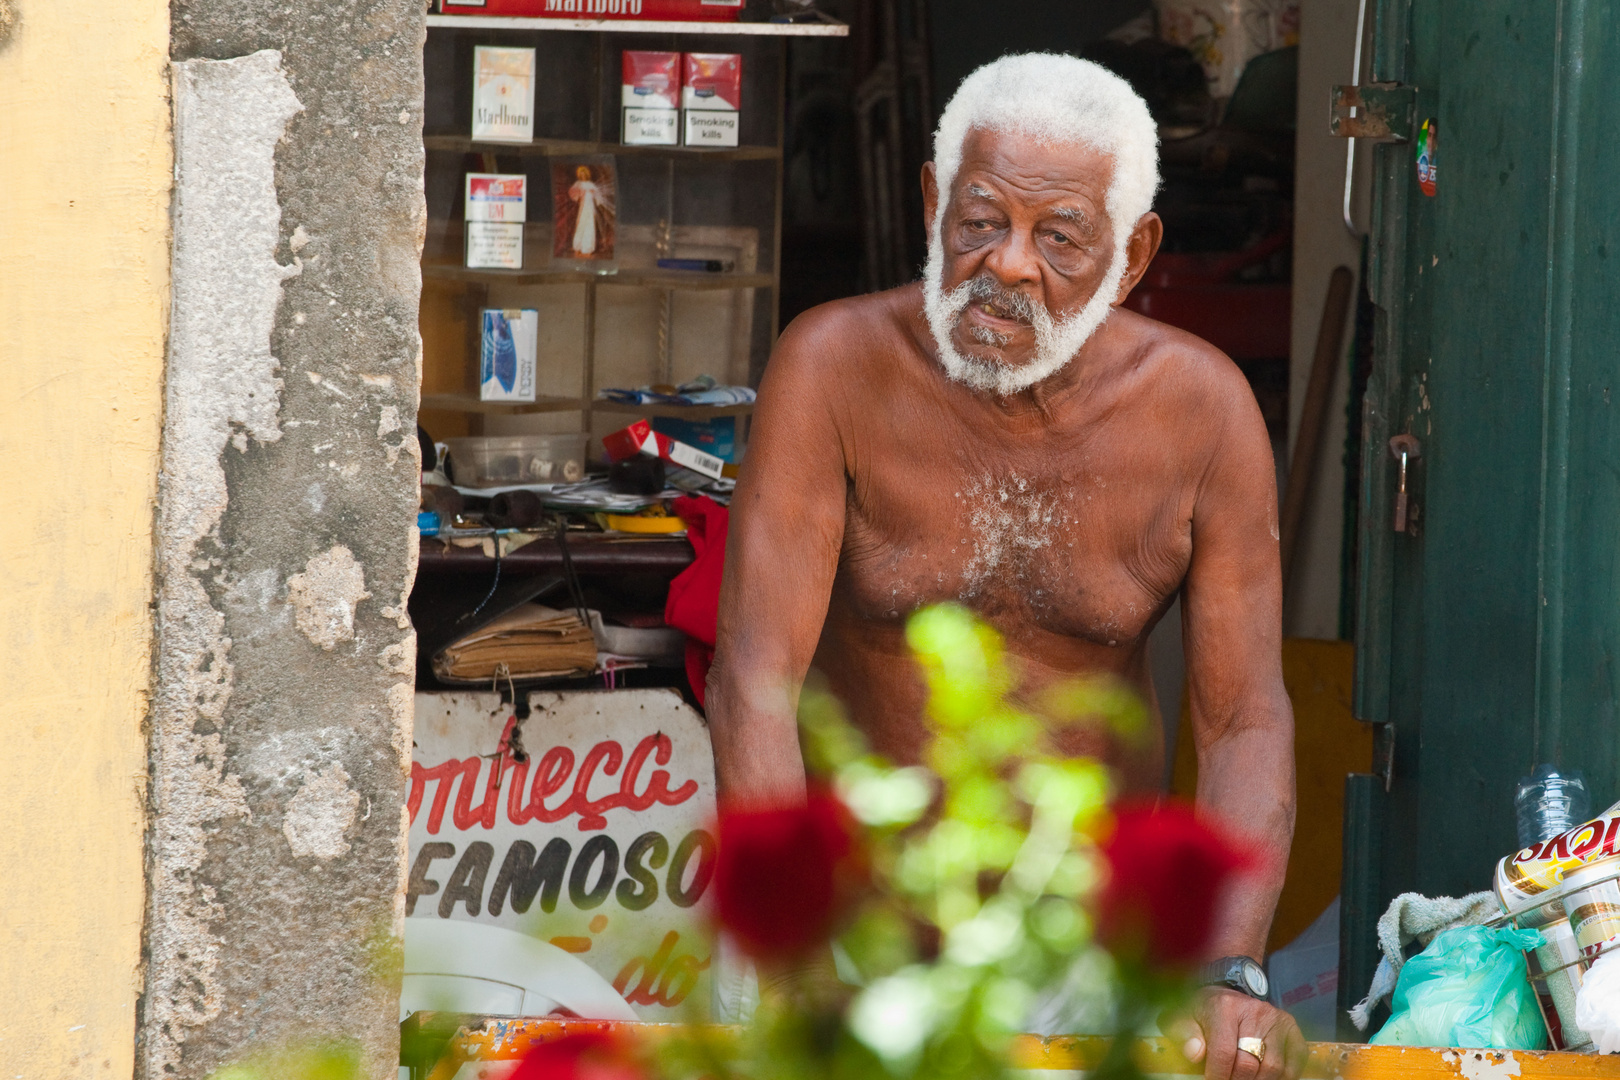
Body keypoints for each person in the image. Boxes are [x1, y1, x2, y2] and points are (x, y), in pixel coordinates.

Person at [707, 53, 1302, 1080]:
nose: (1009, 265)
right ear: (935, 203)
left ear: (1131, 255)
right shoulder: (833, 369)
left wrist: (1228, 969)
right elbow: (754, 686)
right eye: (981, 222)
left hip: (1085, 948)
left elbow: (1243, 720)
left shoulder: (1202, 415)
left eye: (1060, 236)